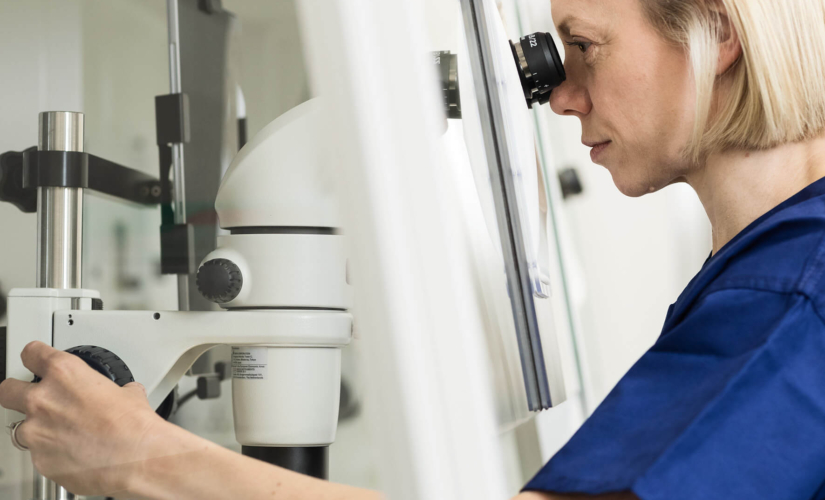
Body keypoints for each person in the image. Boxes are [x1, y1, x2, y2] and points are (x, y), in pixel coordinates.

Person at [2, 0, 825, 498]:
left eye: (585, 45)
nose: (564, 95)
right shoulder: (770, 271)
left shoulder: (788, 293)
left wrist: (140, 457)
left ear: (716, 31)